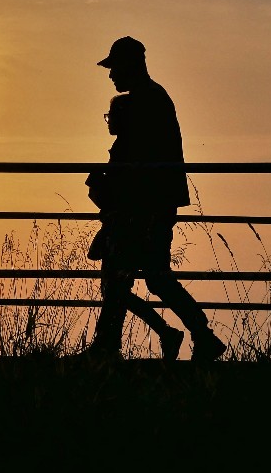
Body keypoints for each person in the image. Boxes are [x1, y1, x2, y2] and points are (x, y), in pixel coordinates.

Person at [82, 36, 227, 362]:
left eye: (114, 68)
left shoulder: (145, 103)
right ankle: (201, 335)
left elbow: (132, 164)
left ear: (129, 66)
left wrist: (108, 190)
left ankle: (108, 347)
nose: (111, 76)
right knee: (151, 277)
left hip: (144, 206)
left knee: (125, 276)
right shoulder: (152, 99)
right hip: (151, 203)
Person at [85, 94, 185, 360]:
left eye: (111, 116)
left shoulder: (125, 150)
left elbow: (118, 193)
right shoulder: (133, 147)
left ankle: (158, 333)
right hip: (128, 223)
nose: (108, 122)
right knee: (116, 289)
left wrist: (96, 185)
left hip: (123, 226)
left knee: (114, 287)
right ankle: (110, 344)